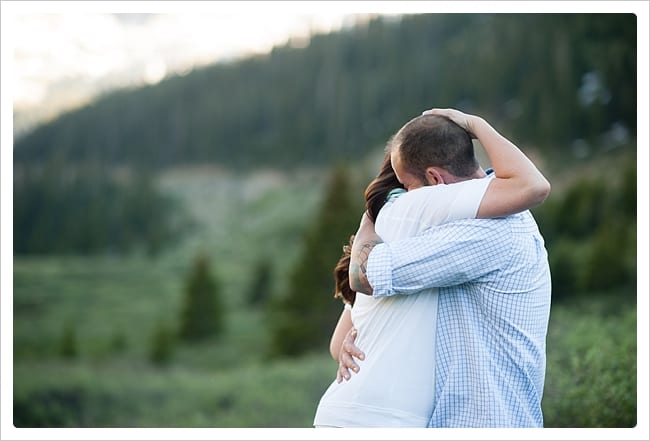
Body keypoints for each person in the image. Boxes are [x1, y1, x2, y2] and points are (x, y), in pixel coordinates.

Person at [314, 108, 551, 427]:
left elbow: (365, 276)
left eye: (408, 188)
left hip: (488, 420)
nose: (406, 199)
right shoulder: (471, 218)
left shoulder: (486, 231)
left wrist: (374, 214)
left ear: (436, 179)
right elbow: (345, 329)